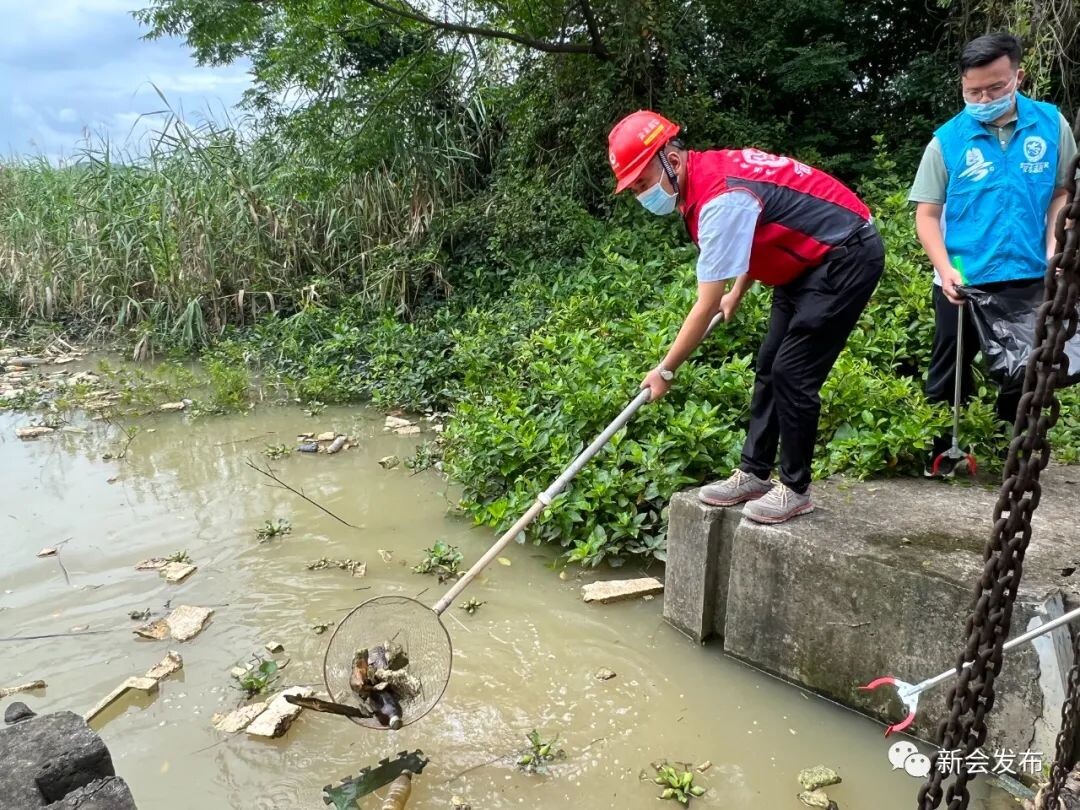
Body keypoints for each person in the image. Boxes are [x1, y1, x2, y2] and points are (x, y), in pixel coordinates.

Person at [607, 111, 884, 524]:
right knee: (770, 365)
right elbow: (760, 227)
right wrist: (738, 290)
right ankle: (754, 473)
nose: (643, 196)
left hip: (844, 254)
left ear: (673, 161)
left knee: (793, 372)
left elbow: (703, 305)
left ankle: (795, 489)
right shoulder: (711, 174)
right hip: (802, 264)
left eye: (644, 184)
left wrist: (665, 371)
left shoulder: (720, 196)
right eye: (635, 190)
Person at [909, 32, 1077, 473]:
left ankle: (1012, 449)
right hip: (963, 273)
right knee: (950, 366)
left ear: (1017, 76)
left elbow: (1062, 192)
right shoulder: (946, 140)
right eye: (973, 90)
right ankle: (939, 451)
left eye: (995, 87)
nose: (983, 97)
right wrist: (945, 270)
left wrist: (1054, 249)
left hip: (1029, 271)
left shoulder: (1051, 124)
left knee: (1023, 370)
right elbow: (927, 216)